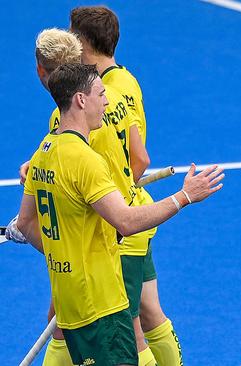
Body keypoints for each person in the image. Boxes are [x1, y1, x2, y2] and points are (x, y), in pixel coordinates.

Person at [16, 63, 223, 366]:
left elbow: (25, 222)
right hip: (102, 305)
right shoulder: (87, 161)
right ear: (81, 100)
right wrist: (184, 196)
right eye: (101, 94)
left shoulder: (44, 151)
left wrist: (67, 254)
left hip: (70, 300)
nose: (107, 101)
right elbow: (125, 221)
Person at [15, 28, 157, 365]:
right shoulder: (122, 89)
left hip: (105, 243)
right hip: (122, 228)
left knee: (133, 326)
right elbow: (139, 161)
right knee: (144, 319)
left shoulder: (58, 135)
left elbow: (32, 216)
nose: (103, 98)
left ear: (42, 72)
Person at [69, 6, 185, 364]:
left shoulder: (98, 94)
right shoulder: (126, 80)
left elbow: (138, 160)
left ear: (83, 42)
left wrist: (113, 200)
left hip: (118, 225)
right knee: (149, 311)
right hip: (136, 214)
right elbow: (136, 158)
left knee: (129, 327)